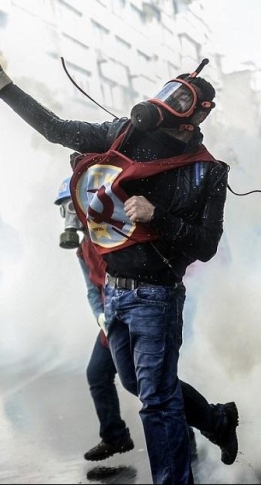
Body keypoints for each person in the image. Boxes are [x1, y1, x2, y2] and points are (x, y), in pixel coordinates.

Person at [0, 35, 238, 484]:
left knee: (155, 401)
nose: (168, 101)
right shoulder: (124, 135)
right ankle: (216, 421)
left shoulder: (208, 171)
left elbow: (205, 246)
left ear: (198, 115)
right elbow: (56, 129)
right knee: (137, 385)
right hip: (114, 292)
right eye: (170, 91)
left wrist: (159, 217)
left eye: (182, 98)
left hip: (157, 296)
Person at [56, 176, 203, 463]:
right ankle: (115, 436)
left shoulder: (114, 236)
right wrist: (101, 318)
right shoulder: (82, 250)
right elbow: (91, 290)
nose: (70, 217)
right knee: (99, 375)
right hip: (111, 322)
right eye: (65, 210)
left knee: (152, 383)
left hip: (140, 312)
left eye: (72, 207)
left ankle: (192, 429)